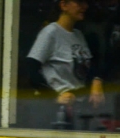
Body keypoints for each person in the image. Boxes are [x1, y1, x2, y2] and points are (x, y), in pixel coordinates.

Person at [26, 0, 104, 129]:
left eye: (85, 3)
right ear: (64, 5)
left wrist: (96, 81)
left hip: (80, 108)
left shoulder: (78, 35)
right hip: (58, 113)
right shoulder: (50, 32)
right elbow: (31, 68)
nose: (84, 6)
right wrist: (54, 97)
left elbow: (90, 66)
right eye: (79, 3)